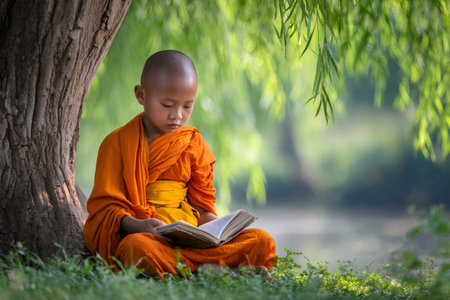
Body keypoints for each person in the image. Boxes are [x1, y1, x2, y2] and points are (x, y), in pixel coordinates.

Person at [83, 50, 276, 278]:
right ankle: (215, 271)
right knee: (135, 249)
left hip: (192, 239)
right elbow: (105, 209)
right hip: (152, 238)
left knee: (261, 240)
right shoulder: (117, 143)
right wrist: (140, 226)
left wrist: (217, 230)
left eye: (187, 106)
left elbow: (203, 208)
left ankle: (203, 269)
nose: (177, 115)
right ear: (141, 95)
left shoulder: (192, 142)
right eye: (167, 105)